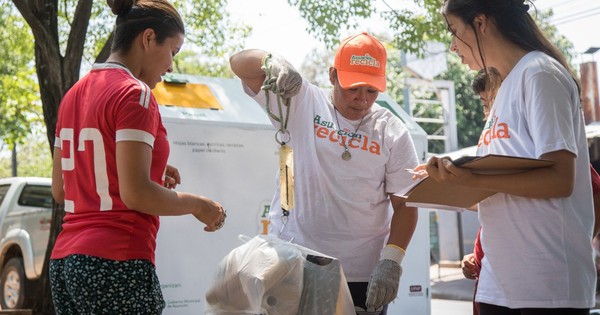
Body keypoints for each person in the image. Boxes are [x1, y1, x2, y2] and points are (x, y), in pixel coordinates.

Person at [49, 0, 226, 313]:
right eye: (173, 51)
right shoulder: (136, 93)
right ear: (148, 38)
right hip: (116, 261)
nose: (171, 66)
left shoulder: (72, 96)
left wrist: (150, 170)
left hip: (65, 264)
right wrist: (199, 205)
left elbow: (61, 190)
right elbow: (136, 194)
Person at [229, 32, 420, 314]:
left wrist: (391, 261)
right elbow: (238, 63)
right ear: (333, 75)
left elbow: (405, 204)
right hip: (295, 263)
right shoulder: (302, 100)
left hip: (360, 275)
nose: (362, 99)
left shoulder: (391, 130)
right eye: (353, 88)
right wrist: (270, 61)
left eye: (371, 90)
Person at [427, 0, 596, 314]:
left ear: (480, 22)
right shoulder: (503, 88)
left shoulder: (540, 73)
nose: (452, 46)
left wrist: (472, 177)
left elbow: (560, 180)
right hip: (499, 281)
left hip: (547, 284)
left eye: (454, 31)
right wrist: (446, 182)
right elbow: (504, 188)